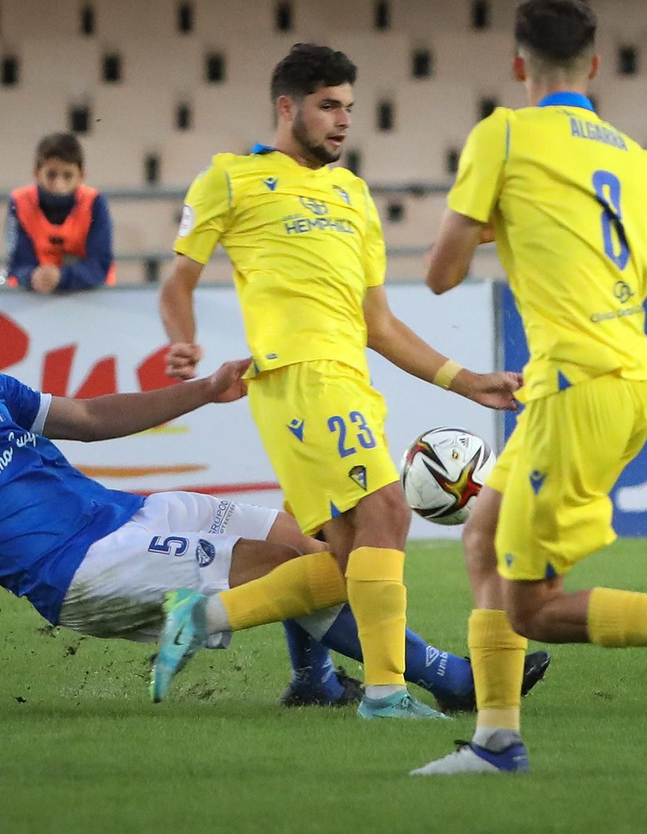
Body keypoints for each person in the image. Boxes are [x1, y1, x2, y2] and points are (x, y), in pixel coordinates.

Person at [0, 262, 547, 714]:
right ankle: (449, 677)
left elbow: (86, 419)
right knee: (321, 571)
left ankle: (315, 682)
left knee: (322, 542)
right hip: (82, 567)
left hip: (134, 512)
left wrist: (202, 392)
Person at [411, 0, 647, 776]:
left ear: (520, 65)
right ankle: (495, 740)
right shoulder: (642, 164)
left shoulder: (505, 135)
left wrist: (494, 219)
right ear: (595, 66)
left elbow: (442, 275)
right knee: (484, 535)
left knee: (534, 606)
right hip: (624, 381)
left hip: (575, 389)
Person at [156, 43, 523, 720]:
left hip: (349, 378)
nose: (343, 120)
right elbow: (178, 278)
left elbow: (378, 323)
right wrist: (183, 340)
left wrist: (466, 380)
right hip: (298, 375)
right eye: (329, 106)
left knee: (344, 555)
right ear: (287, 106)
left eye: (349, 108)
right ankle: (384, 693)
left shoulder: (353, 195)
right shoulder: (231, 179)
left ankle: (209, 612)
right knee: (389, 508)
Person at [7, 133, 115, 293]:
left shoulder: (95, 203)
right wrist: (32, 276)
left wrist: (61, 277)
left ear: (81, 176)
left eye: (67, 175)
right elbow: (18, 263)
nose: (59, 184)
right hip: (34, 298)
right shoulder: (20, 202)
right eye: (51, 175)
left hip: (90, 298)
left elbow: (99, 264)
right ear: (36, 174)